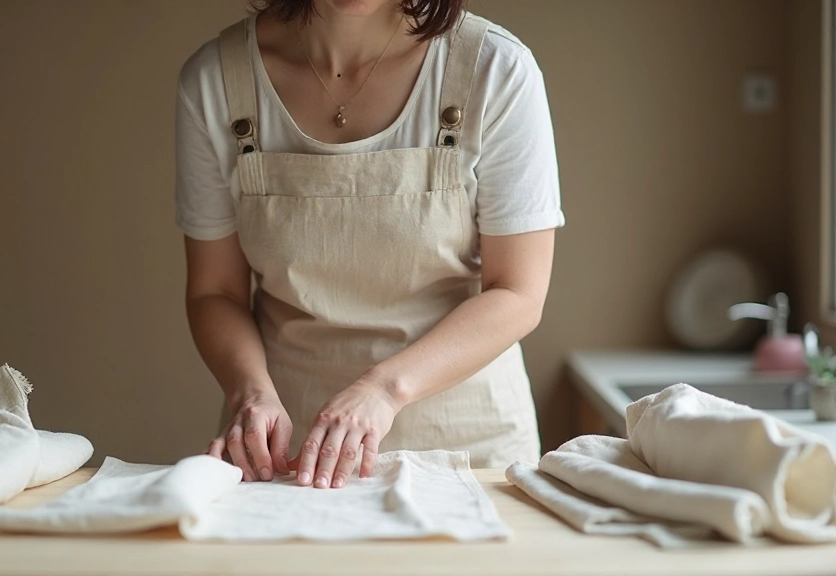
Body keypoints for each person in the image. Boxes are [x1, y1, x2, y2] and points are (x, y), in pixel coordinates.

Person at [174, 0, 564, 489]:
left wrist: (383, 390)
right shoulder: (215, 80)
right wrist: (250, 396)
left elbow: (518, 293)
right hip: (291, 454)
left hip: (467, 448)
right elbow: (216, 292)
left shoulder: (495, 69)